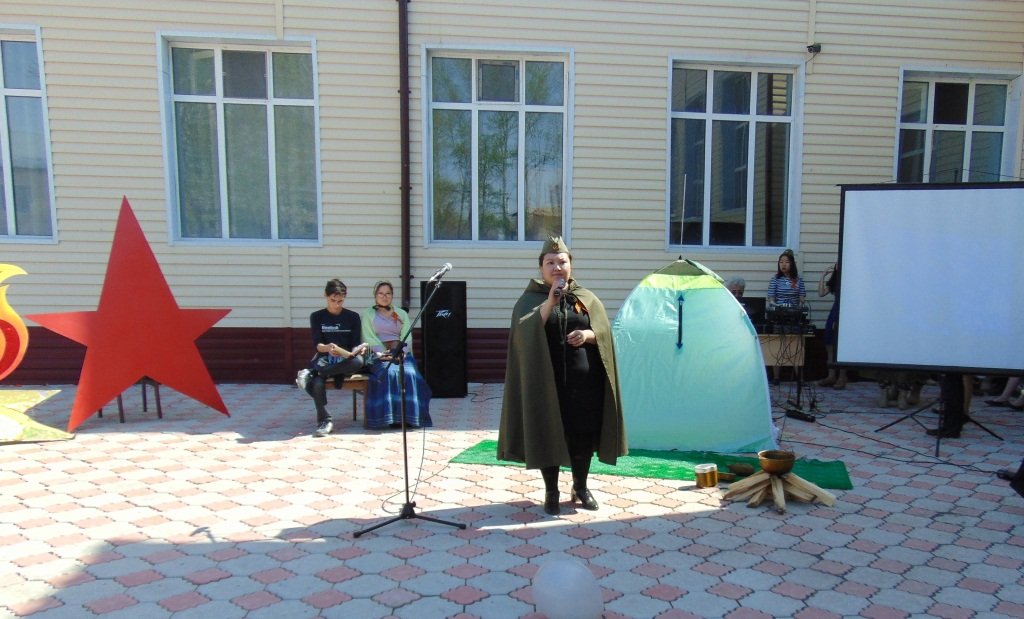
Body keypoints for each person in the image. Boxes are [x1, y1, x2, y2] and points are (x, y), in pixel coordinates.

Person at [498, 236, 627, 516]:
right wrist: (551, 300)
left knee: (582, 436)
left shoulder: (586, 297)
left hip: (584, 383)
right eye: (550, 263)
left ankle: (580, 487)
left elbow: (604, 333)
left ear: (571, 265)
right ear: (541, 268)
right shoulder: (531, 299)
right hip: (546, 383)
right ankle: (552, 491)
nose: (557, 267)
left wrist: (588, 335)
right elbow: (526, 332)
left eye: (562, 262)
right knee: (549, 433)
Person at [297, 279, 368, 437]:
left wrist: (356, 350)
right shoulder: (317, 316)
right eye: (332, 300)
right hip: (325, 357)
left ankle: (314, 373)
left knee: (358, 361)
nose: (336, 304)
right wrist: (328, 348)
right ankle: (325, 421)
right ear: (325, 296)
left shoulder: (353, 317)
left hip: (345, 360)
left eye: (340, 301)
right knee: (317, 382)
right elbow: (318, 345)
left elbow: (355, 344)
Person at [360, 280, 433, 429]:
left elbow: (407, 336)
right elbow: (369, 337)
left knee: (410, 374)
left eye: (388, 293)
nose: (384, 296)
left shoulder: (401, 314)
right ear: (375, 295)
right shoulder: (368, 314)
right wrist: (383, 353)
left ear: (392, 295)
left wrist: (402, 352)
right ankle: (392, 417)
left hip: (400, 352)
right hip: (378, 354)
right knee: (389, 373)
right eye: (381, 293)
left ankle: (410, 418)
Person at [766, 249, 806, 384]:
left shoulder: (798, 279)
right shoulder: (775, 279)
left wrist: (799, 308)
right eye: (781, 262)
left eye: (786, 262)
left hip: (794, 315)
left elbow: (802, 298)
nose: (783, 265)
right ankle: (776, 377)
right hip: (779, 314)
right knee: (778, 345)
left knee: (796, 346)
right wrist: (777, 307)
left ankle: (799, 378)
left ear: (792, 264)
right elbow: (771, 298)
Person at [816, 263, 848, 389]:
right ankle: (831, 376)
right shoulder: (834, 281)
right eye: (836, 264)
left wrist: (838, 319)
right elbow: (821, 293)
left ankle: (842, 377)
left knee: (841, 346)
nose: (838, 265)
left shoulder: (848, 280)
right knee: (829, 344)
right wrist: (823, 275)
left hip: (843, 310)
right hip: (834, 310)